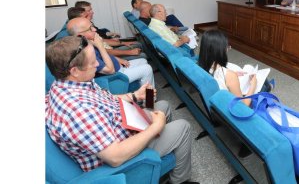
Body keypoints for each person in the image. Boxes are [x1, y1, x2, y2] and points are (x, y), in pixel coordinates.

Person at [45, 36, 198, 184]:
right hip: (120, 154)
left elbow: (105, 100)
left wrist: (135, 95)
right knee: (183, 127)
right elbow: (115, 157)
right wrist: (154, 128)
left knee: (163, 105)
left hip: (122, 125)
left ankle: (165, 158)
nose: (98, 65)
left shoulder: (70, 84)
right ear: (74, 71)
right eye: (93, 62)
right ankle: (180, 180)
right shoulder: (78, 111)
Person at [67, 17, 154, 86]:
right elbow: (110, 70)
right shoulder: (85, 52)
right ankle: (149, 102)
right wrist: (100, 46)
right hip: (116, 76)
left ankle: (141, 92)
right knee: (147, 69)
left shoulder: (88, 41)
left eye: (92, 26)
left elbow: (104, 55)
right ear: (80, 35)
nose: (94, 29)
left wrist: (119, 60)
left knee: (143, 61)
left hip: (119, 67)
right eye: (90, 29)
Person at [198, 30, 274, 107]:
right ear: (219, 50)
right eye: (227, 47)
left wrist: (233, 75)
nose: (228, 49)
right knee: (262, 82)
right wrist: (253, 86)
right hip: (231, 110)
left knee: (261, 81)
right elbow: (243, 106)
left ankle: (269, 85)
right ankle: (269, 86)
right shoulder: (228, 75)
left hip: (219, 100)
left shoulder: (202, 65)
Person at [74, 1, 146, 60]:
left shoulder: (88, 24)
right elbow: (103, 52)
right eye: (89, 10)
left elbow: (103, 40)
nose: (92, 12)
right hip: (108, 57)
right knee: (142, 55)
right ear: (82, 13)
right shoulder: (83, 31)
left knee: (137, 44)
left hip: (109, 50)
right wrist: (129, 52)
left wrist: (123, 43)